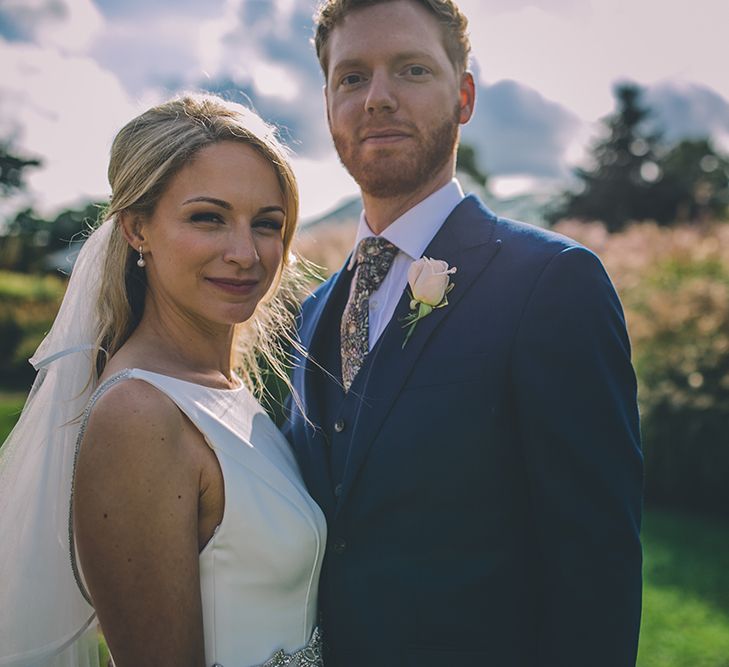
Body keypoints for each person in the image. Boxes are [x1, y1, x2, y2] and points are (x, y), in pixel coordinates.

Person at [283, 1, 643, 665]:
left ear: (465, 95)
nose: (377, 98)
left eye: (411, 69)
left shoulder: (553, 282)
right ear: (329, 103)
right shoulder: (311, 313)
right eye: (351, 77)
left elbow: (597, 563)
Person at [0, 94, 325, 667]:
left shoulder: (223, 389)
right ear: (136, 228)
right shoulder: (139, 416)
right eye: (208, 217)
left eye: (268, 224)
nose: (245, 253)